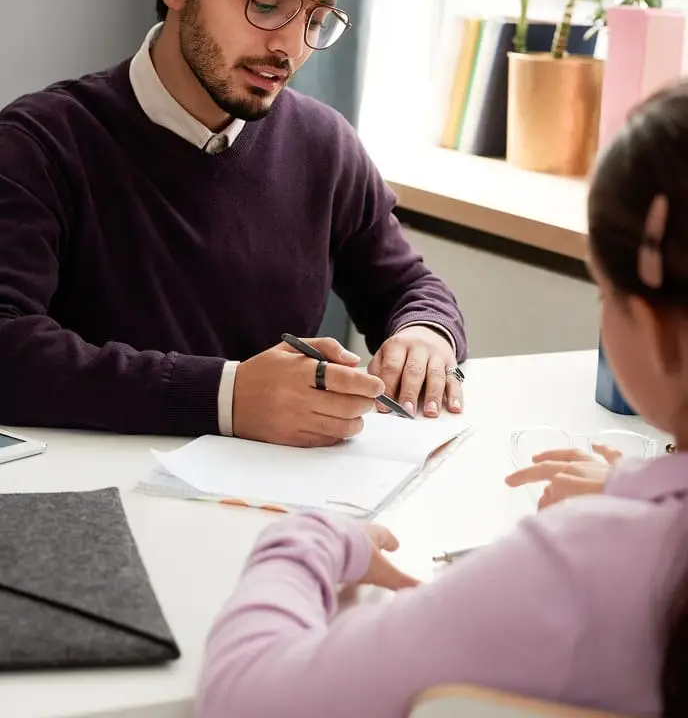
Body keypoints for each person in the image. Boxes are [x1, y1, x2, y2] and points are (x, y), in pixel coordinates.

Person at [196, 82, 688, 718]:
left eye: (603, 293)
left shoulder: (581, 569)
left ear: (649, 326)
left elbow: (243, 699)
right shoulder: (61, 135)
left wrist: (307, 537)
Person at [0, 0, 466, 442]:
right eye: (267, 3)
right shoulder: (38, 145)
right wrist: (225, 396)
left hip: (274, 491)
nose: (290, 47)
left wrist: (426, 333)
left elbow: (408, 286)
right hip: (100, 494)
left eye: (315, 19)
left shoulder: (324, 146)